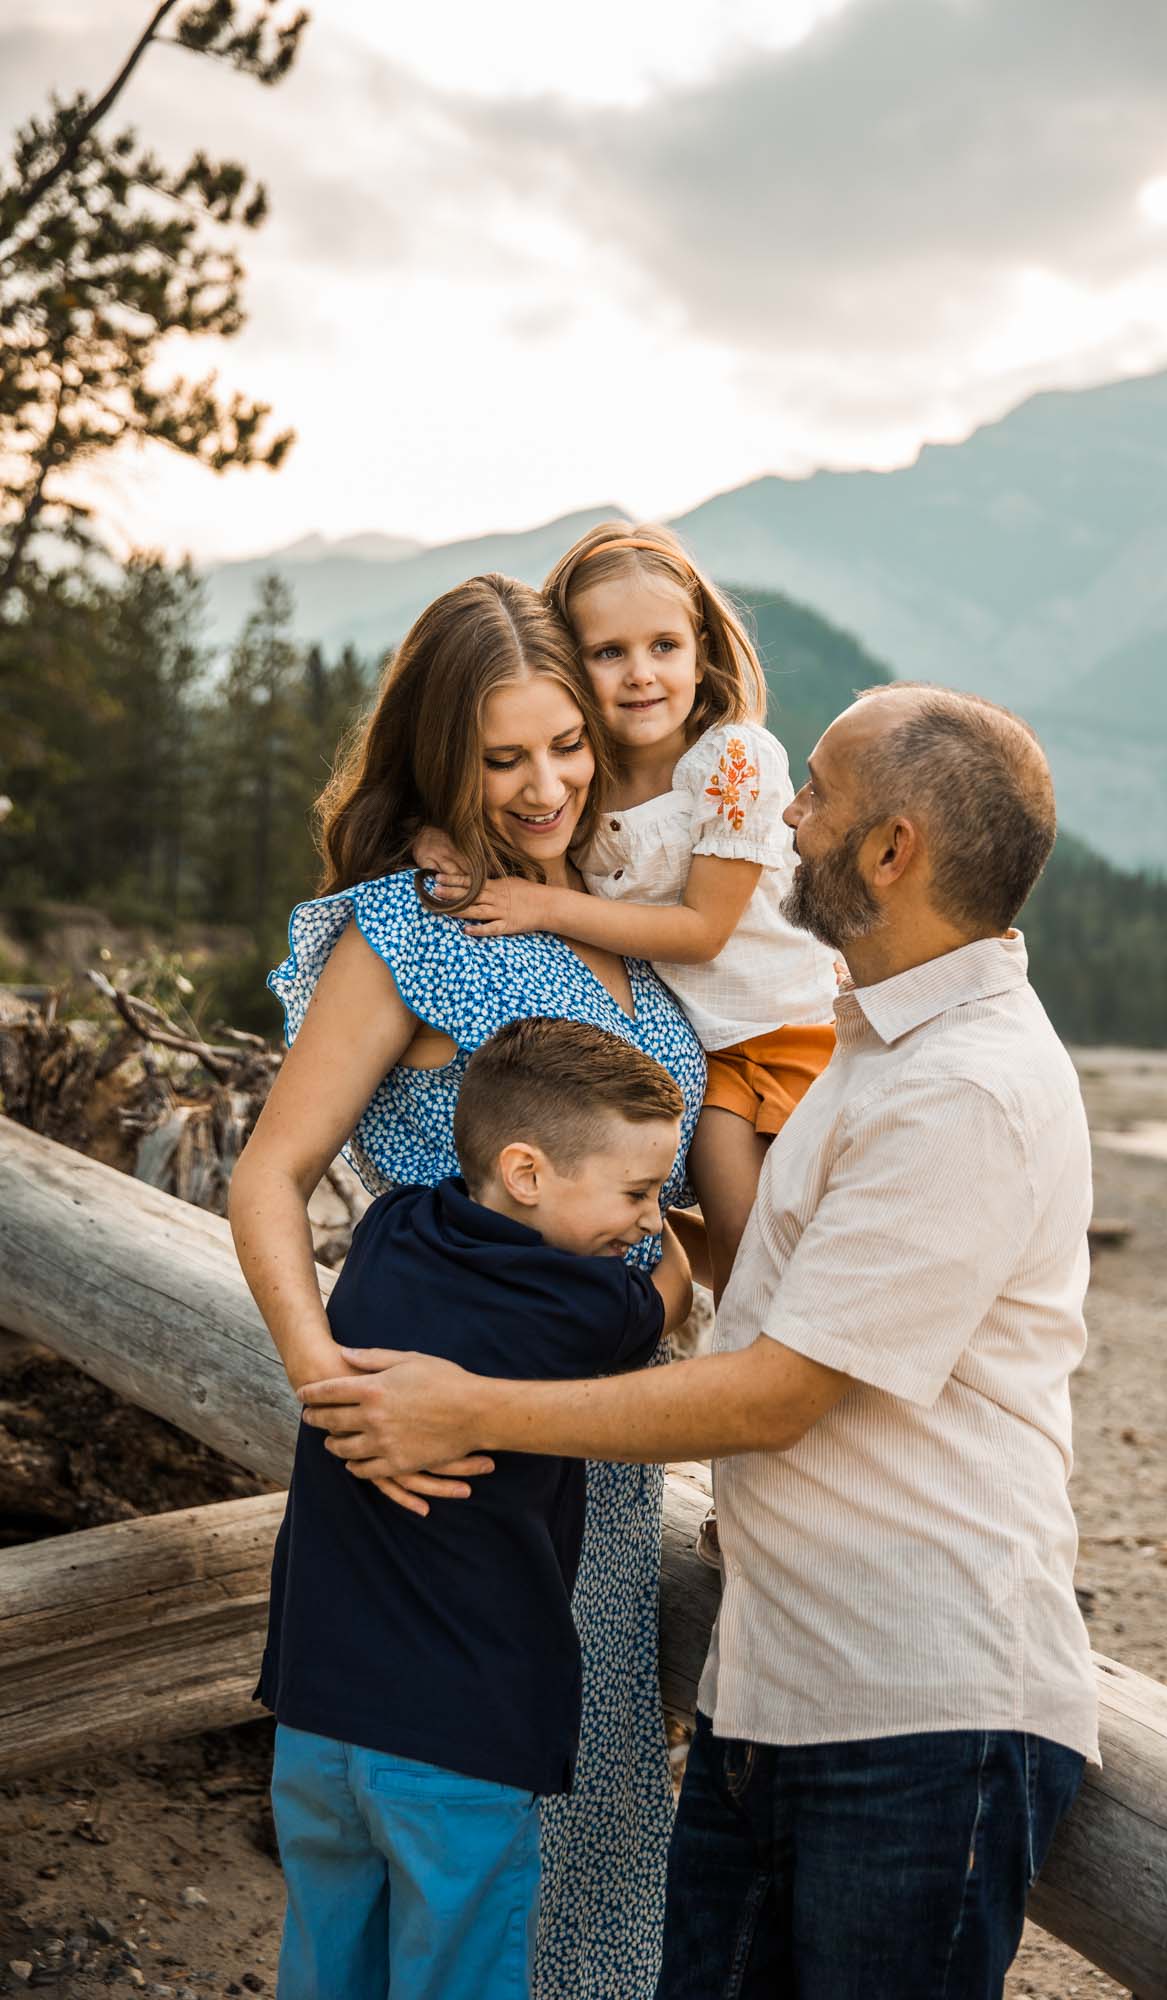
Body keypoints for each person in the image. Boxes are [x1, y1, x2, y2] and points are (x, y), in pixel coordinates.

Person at [299, 681, 1102, 1999]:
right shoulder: (872, 1042)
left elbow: (780, 1391)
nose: (781, 814)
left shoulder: (967, 1085)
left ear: (892, 851)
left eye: (819, 794)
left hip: (920, 1705)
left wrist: (471, 1405)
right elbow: (746, 1274)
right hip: (782, 1685)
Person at [228, 573, 707, 2000]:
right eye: (504, 758)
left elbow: (656, 1190)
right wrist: (332, 1384)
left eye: (566, 744)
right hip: (437, 1464)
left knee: (576, 1870)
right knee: (436, 1878)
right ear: (444, 757)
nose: (548, 782)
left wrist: (674, 1271)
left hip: (599, 1481)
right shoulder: (408, 928)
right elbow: (271, 1177)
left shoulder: (621, 916)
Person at [260, 1019, 692, 2000]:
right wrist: (667, 1246)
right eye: (634, 1191)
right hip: (459, 1729)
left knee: (327, 1964)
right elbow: (667, 1293)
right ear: (529, 1172)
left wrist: (627, 1205)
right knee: (455, 1973)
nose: (644, 1214)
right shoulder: (575, 1306)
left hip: (317, 1707)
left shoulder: (390, 1227)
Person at [418, 521, 839, 1303]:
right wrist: (439, 834)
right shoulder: (583, 770)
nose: (640, 674)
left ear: (702, 649)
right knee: (742, 1261)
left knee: (797, 1247)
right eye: (608, 652)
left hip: (786, 1031)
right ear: (567, 665)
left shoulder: (729, 760)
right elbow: (509, 805)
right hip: (708, 1055)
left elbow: (700, 932)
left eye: (663, 647)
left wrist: (540, 906)